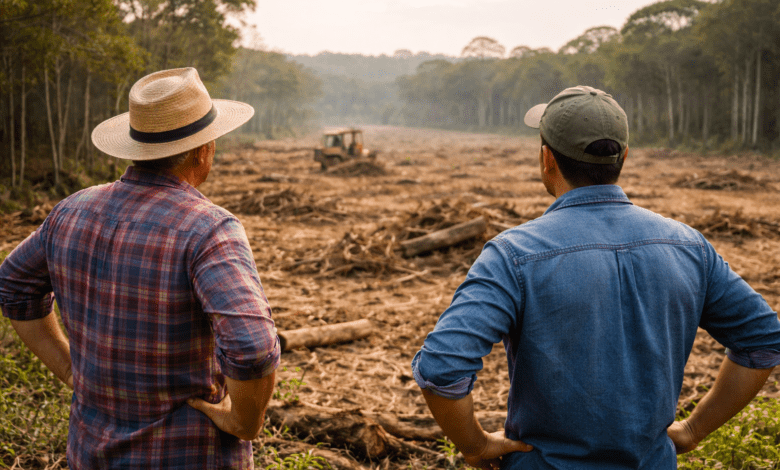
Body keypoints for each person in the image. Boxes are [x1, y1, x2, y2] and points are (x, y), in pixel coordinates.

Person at [411, 85, 780, 469]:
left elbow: (442, 369)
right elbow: (762, 340)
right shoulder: (688, 246)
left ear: (546, 159)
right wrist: (693, 430)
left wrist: (476, 445)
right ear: (624, 158)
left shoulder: (512, 254)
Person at [0, 67, 281, 469]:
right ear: (204, 150)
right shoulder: (209, 229)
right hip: (186, 456)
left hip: (89, 451)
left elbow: (12, 285)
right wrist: (243, 421)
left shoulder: (71, 210)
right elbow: (252, 348)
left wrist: (69, 370)